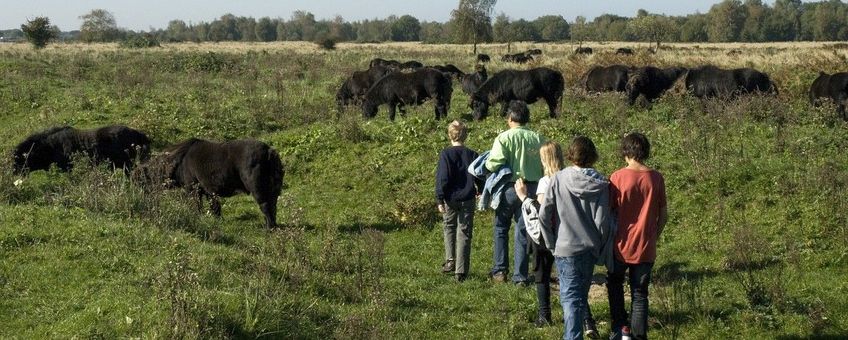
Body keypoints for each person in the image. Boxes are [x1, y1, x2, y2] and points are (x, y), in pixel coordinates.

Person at [538, 136, 612, 340]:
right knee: (579, 297)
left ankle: (572, 337)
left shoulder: (558, 179)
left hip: (565, 247)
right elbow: (603, 221)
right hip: (589, 247)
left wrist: (551, 242)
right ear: (592, 156)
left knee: (570, 299)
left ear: (570, 155)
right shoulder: (601, 183)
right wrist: (601, 247)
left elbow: (544, 215)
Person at [607, 132, 668, 340]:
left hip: (621, 244)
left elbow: (609, 211)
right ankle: (639, 336)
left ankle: (619, 327)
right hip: (646, 245)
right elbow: (664, 215)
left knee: (615, 284)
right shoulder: (656, 178)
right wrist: (654, 235)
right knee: (640, 294)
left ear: (626, 152)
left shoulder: (617, 178)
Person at [485, 101, 545, 284]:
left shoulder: (503, 138)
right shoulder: (537, 138)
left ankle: (500, 271)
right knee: (523, 229)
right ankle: (520, 276)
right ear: (526, 118)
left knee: (501, 227)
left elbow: (493, 163)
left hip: (509, 187)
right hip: (532, 188)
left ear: (510, 118)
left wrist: (487, 164)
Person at [435, 120, 481, 282]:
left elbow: (442, 178)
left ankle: (450, 259)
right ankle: (461, 271)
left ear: (449, 135)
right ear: (465, 135)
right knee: (465, 232)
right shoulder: (472, 154)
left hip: (450, 198)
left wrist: (440, 198)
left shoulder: (446, 154)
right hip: (468, 197)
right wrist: (480, 190)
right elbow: (479, 174)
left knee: (449, 227)